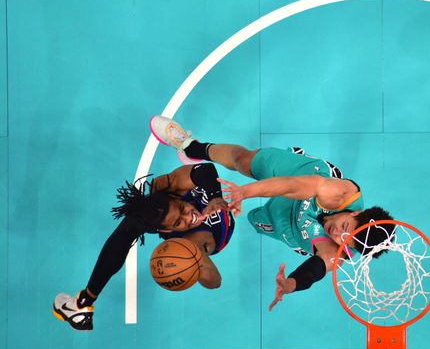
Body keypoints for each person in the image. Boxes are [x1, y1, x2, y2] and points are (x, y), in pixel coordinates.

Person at [148, 115, 394, 311]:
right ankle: (193, 147)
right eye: (346, 228)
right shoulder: (340, 194)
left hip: (292, 227)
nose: (338, 234)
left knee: (256, 219)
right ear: (354, 214)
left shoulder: (338, 250)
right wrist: (246, 191)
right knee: (243, 160)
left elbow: (315, 270)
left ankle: (265, 208)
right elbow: (290, 185)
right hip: (300, 176)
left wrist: (289, 285)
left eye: (345, 240)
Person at [53, 162, 235, 331]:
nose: (190, 217)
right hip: (208, 236)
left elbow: (206, 169)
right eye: (179, 222)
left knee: (159, 185)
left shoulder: (170, 186)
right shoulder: (194, 242)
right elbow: (214, 282)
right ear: (166, 230)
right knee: (126, 232)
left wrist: (215, 197)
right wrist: (197, 261)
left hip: (173, 193)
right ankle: (85, 302)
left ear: (175, 198)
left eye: (182, 209)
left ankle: (83, 301)